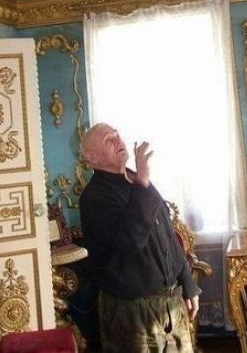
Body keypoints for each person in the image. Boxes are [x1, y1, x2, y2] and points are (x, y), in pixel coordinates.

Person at [79, 123, 200, 352]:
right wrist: (143, 183)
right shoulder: (94, 197)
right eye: (108, 140)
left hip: (171, 302)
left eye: (117, 135)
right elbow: (130, 241)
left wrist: (188, 283)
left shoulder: (136, 180)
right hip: (131, 310)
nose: (118, 140)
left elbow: (167, 236)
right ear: (91, 157)